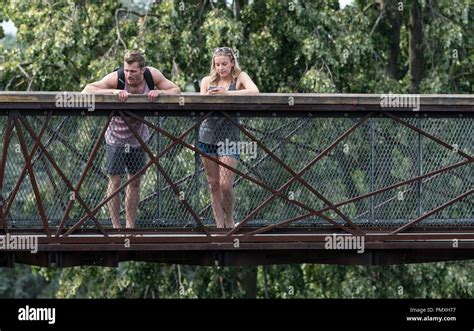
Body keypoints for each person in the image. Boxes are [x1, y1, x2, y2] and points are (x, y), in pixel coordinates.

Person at [83, 50, 180, 229]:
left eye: (133, 72)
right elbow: (87, 89)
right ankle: (115, 227)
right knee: (115, 180)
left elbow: (176, 90)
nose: (129, 75)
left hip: (138, 137)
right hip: (115, 136)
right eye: (127, 70)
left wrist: (159, 94)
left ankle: (130, 227)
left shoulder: (152, 75)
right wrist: (114, 92)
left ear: (142, 70)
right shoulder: (118, 77)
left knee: (134, 181)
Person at [199, 47, 259, 229]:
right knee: (213, 183)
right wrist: (208, 98)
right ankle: (219, 225)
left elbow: (254, 91)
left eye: (224, 64)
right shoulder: (207, 81)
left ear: (232, 63)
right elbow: (200, 105)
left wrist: (227, 94)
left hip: (229, 137)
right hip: (207, 134)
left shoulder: (240, 77)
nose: (221, 68)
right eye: (217, 64)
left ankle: (230, 219)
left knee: (226, 184)